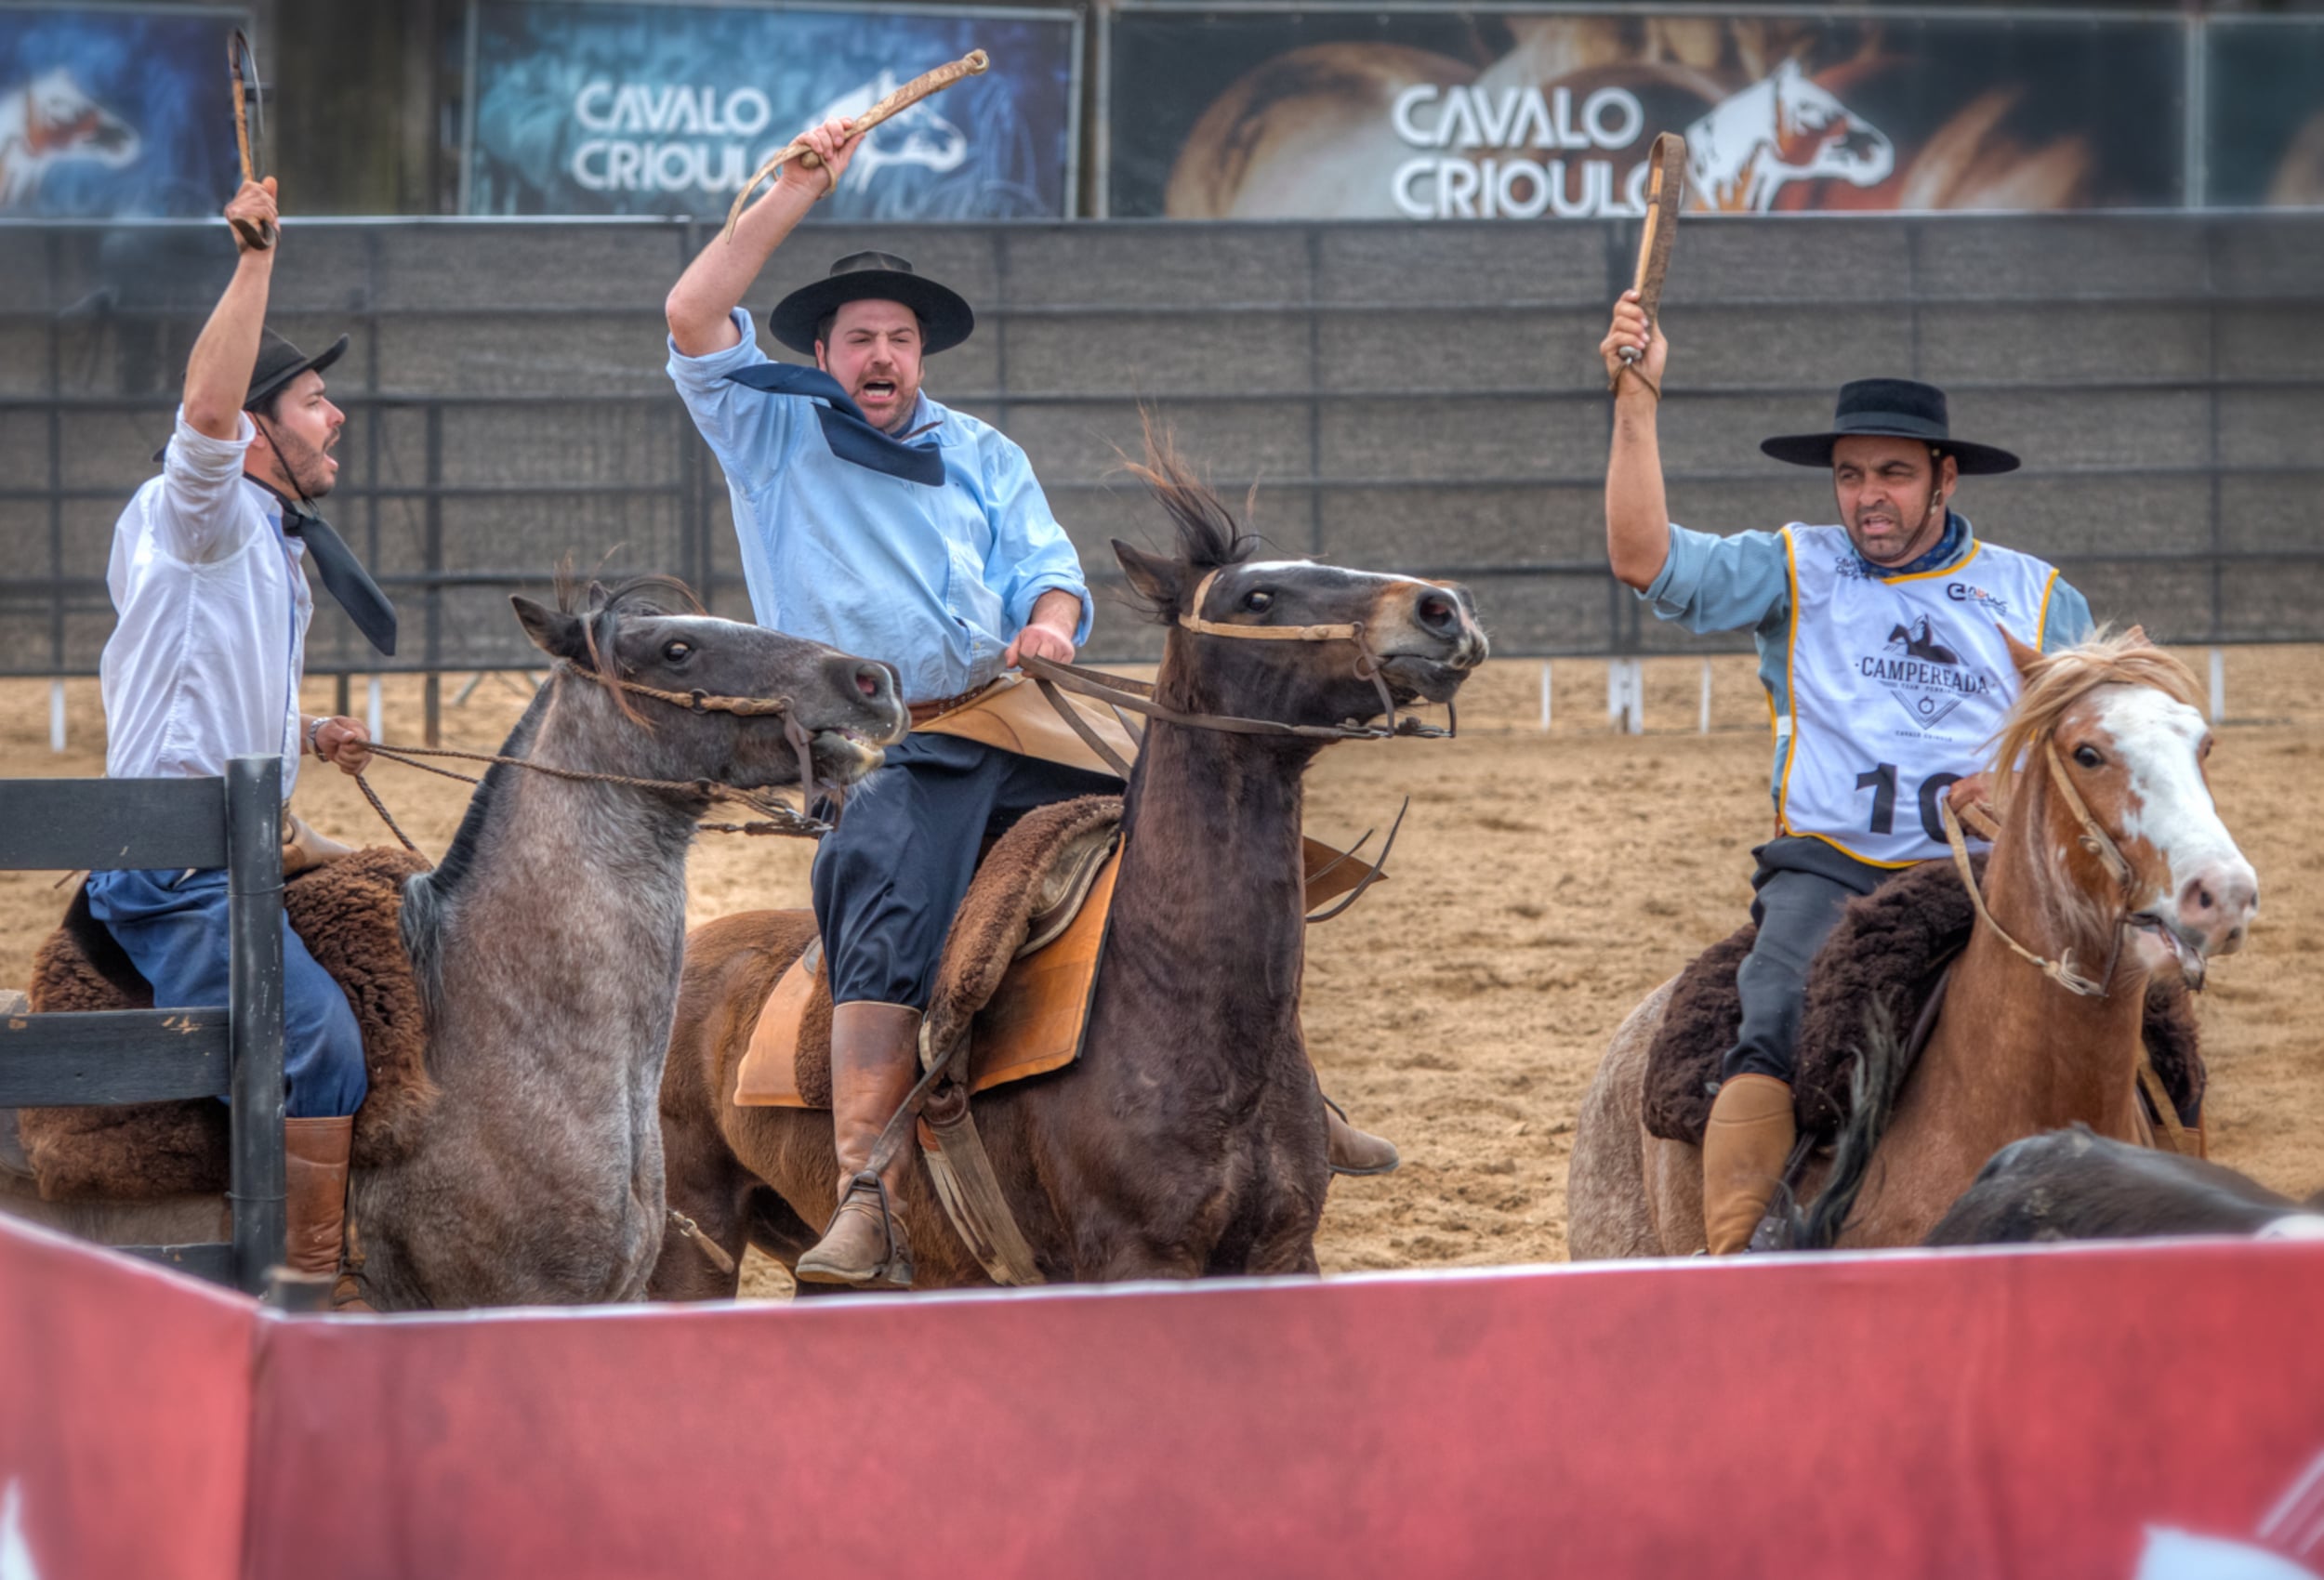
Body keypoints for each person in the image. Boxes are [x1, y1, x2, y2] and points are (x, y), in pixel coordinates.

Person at [665, 118, 1398, 1287]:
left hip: (1018, 705)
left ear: (921, 355)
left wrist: (1053, 618)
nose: (882, 355)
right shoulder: (770, 429)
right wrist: (793, 192)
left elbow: (1047, 564)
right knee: (888, 863)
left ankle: (1291, 1097)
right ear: (820, 351)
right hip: (886, 736)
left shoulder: (983, 451)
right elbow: (694, 316)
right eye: (860, 338)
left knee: (1196, 841)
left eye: (900, 339)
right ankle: (868, 1180)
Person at [1599, 290, 2094, 1255]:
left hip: (1993, 872)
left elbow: (2097, 730)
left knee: (2136, 1014)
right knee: (1771, 1017)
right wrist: (1637, 403)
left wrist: (2021, 784)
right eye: (1851, 474)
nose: (1869, 494)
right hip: (1829, 867)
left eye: (1895, 474)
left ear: (1943, 478)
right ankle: (1740, 1249)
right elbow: (1640, 555)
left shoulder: (2036, 594)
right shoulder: (1795, 565)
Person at [89, 175, 399, 1297]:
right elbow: (205, 418)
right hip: (178, 866)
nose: (337, 417)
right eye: (315, 400)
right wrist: (257, 261)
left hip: (241, 842)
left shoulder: (260, 541)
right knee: (321, 1045)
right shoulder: (206, 509)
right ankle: (305, 1290)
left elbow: (203, 680)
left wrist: (308, 728)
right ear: (262, 428)